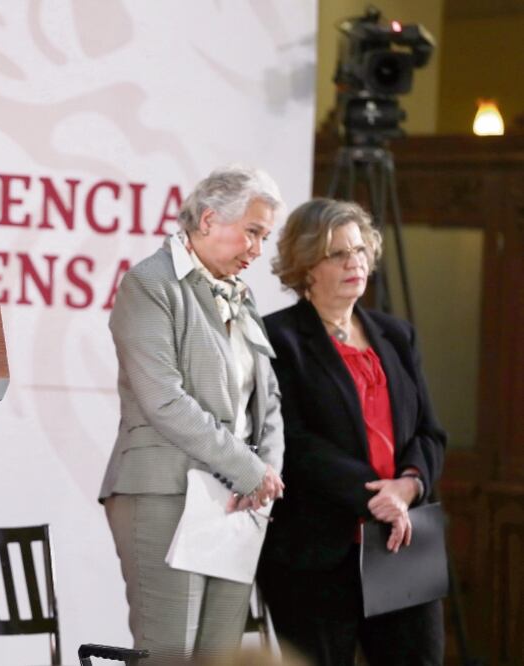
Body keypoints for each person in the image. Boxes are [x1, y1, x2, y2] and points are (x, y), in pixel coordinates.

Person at [101, 166, 286, 664]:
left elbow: (268, 404)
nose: (257, 250)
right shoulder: (150, 284)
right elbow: (164, 398)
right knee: (172, 654)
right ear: (207, 219)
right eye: (252, 232)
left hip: (239, 501)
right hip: (165, 489)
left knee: (217, 655)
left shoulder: (241, 296)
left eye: (264, 237)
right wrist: (250, 470)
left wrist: (267, 475)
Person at [258, 198, 446, 665]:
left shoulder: (396, 335)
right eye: (337, 254)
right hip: (316, 551)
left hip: (403, 542)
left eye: (360, 250)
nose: (355, 262)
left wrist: (407, 486)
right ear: (306, 266)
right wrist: (373, 497)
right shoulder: (277, 338)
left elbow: (429, 433)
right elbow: (294, 442)